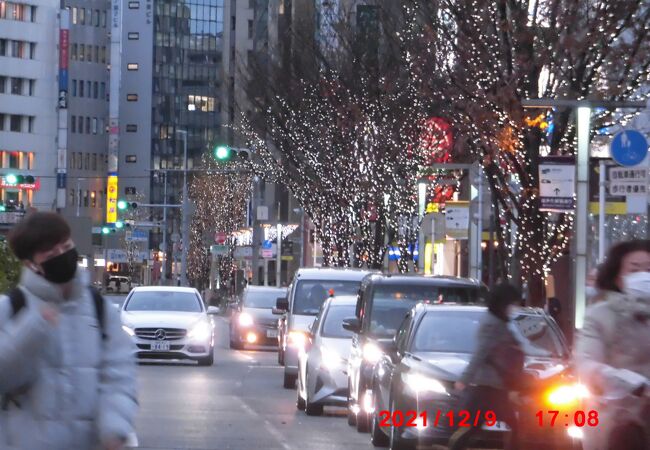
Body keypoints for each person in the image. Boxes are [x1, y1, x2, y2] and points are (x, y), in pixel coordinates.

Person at [0, 212, 138, 450]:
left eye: (66, 246)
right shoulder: (11, 309)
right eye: (50, 253)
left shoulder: (100, 309)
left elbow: (119, 375)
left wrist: (114, 426)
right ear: (30, 264)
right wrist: (32, 328)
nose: (62, 255)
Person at [574, 240, 650, 450]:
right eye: (634, 269)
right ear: (618, 277)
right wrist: (624, 381)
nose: (643, 275)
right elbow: (586, 362)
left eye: (649, 269)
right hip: (613, 421)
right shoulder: (599, 316)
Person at [448, 283, 523, 450]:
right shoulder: (492, 323)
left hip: (495, 386)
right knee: (505, 425)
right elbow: (480, 353)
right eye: (512, 304)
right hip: (488, 387)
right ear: (503, 303)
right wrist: (464, 380)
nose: (514, 308)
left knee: (478, 425)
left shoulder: (499, 321)